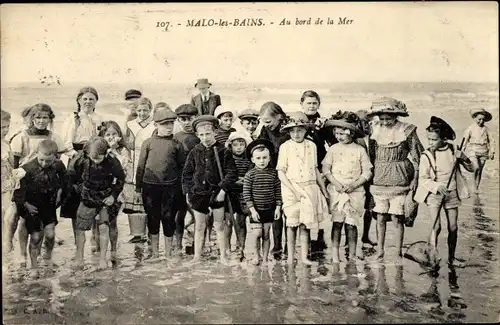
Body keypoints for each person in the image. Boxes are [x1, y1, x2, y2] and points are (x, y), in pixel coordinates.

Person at [9, 103, 72, 267]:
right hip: (25, 181)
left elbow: (58, 164)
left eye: (45, 117)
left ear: (50, 119)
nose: (41, 120)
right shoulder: (21, 137)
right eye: (37, 117)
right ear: (31, 118)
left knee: (45, 222)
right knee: (23, 221)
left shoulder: (54, 137)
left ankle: (44, 253)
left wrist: (59, 189)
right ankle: (22, 253)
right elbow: (14, 165)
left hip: (46, 185)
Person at [366, 97, 424, 263]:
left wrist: (415, 180)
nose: (385, 121)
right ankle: (380, 251)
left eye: (389, 118)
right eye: (382, 118)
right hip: (379, 178)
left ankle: (398, 252)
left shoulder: (407, 130)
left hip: (401, 177)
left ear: (396, 116)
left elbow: (419, 156)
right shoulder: (373, 129)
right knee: (380, 216)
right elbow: (371, 154)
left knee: (398, 217)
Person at [414, 116, 476, 268]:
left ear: (443, 138)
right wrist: (436, 186)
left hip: (452, 193)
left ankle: (452, 258)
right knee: (436, 226)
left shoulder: (454, 150)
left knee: (453, 227)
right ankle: (432, 258)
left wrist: (464, 158)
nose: (430, 143)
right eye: (429, 139)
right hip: (434, 195)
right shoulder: (426, 155)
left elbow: (472, 168)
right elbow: (423, 179)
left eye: (434, 140)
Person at [181, 115, 238, 264]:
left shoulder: (223, 151)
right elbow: (187, 173)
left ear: (214, 132)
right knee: (199, 226)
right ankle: (197, 257)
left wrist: (223, 191)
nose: (205, 138)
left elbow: (231, 173)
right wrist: (188, 191)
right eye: (201, 135)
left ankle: (223, 256)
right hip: (199, 193)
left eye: (208, 134)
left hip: (217, 193)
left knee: (219, 225)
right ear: (197, 135)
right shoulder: (195, 151)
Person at [276, 112, 329, 265]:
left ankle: (305, 257)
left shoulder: (311, 145)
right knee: (291, 224)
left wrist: (323, 190)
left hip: (310, 187)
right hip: (291, 188)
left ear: (306, 130)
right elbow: (281, 172)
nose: (296, 133)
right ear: (288, 132)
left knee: (305, 224)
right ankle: (291, 257)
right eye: (292, 130)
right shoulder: (285, 147)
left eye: (300, 130)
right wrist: (294, 191)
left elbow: (315, 169)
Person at [12, 140, 68, 278]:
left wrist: (60, 191)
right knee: (36, 237)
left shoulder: (59, 166)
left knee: (50, 235)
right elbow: (17, 192)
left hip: (49, 206)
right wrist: (26, 205)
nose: (44, 164)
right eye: (41, 160)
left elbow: (66, 181)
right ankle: (34, 266)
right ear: (37, 153)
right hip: (32, 207)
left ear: (55, 157)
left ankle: (48, 257)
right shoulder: (26, 169)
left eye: (48, 161)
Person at [322, 111, 373, 263]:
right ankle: (335, 254)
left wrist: (354, 184)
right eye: (336, 133)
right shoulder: (333, 149)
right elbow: (326, 169)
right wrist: (336, 183)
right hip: (337, 191)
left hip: (355, 192)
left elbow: (367, 172)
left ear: (351, 133)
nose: (339, 137)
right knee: (337, 223)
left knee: (351, 224)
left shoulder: (359, 150)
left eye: (342, 134)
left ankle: (351, 254)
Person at [135, 109, 186, 261]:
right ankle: (155, 253)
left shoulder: (177, 144)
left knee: (169, 218)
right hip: (150, 186)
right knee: (152, 218)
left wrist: (182, 189)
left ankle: (169, 254)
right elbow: (140, 167)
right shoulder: (148, 143)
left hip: (171, 187)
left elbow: (182, 168)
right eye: (165, 124)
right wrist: (138, 189)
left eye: (171, 123)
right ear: (156, 125)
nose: (169, 127)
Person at [69, 137, 125, 269]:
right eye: (93, 159)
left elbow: (121, 179)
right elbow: (71, 175)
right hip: (87, 196)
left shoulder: (112, 161)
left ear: (106, 154)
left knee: (104, 227)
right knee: (80, 228)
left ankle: (102, 259)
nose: (96, 161)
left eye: (99, 159)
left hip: (105, 196)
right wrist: (80, 189)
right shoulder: (81, 158)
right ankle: (79, 257)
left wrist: (113, 195)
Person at [299, 90, 332, 258]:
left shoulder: (324, 123)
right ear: (302, 104)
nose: (311, 106)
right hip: (301, 169)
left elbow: (332, 144)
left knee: (319, 203)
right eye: (308, 103)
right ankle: (303, 239)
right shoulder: (296, 121)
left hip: (318, 167)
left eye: (314, 103)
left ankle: (318, 238)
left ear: (319, 105)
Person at [95, 120, 132, 265]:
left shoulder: (123, 150)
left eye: (114, 134)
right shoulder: (98, 149)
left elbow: (123, 168)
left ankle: (114, 250)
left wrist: (112, 150)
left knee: (112, 222)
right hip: (98, 190)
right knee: (97, 222)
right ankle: (99, 249)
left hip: (116, 190)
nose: (111, 137)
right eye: (107, 134)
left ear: (119, 136)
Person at [257, 101, 290, 260]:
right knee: (276, 212)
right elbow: (259, 149)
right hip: (272, 175)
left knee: (289, 213)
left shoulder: (289, 130)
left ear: (279, 117)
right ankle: (277, 247)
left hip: (289, 175)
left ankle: (288, 247)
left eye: (269, 121)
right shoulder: (264, 130)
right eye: (263, 121)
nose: (266, 125)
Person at [243, 139, 282, 265]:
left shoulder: (274, 174)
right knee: (256, 233)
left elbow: (278, 191)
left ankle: (265, 258)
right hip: (256, 210)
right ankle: (256, 255)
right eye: (258, 158)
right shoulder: (250, 175)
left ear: (269, 158)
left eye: (264, 157)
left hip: (269, 208)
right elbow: (247, 194)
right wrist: (252, 210)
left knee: (266, 235)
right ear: (253, 159)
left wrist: (277, 208)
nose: (262, 161)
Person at [123, 97, 156, 243]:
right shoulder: (130, 124)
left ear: (150, 110)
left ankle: (150, 232)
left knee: (148, 198)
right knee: (134, 198)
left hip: (149, 162)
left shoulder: (155, 125)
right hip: (134, 161)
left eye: (145, 110)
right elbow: (126, 144)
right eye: (139, 110)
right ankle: (137, 233)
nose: (142, 113)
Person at [173, 103, 200, 253]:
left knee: (198, 213)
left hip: (196, 181)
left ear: (196, 118)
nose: (186, 122)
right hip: (178, 181)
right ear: (178, 120)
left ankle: (197, 242)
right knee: (179, 213)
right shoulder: (175, 137)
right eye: (182, 119)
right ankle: (178, 245)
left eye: (190, 118)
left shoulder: (199, 136)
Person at [226, 131, 254, 260]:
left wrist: (241, 180)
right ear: (230, 146)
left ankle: (240, 246)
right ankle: (226, 247)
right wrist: (234, 180)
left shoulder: (248, 160)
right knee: (228, 221)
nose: (238, 147)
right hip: (230, 194)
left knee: (241, 221)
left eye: (241, 144)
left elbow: (250, 175)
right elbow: (227, 176)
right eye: (235, 145)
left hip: (243, 193)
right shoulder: (227, 159)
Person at [355, 109, 377, 248]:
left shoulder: (374, 138)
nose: (367, 125)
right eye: (364, 122)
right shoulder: (356, 140)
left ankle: (365, 236)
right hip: (359, 177)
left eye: (370, 122)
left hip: (372, 176)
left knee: (369, 208)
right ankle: (349, 241)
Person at [462, 108, 495, 192]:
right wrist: (462, 149)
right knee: (475, 167)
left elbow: (492, 141)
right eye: (479, 119)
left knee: (480, 170)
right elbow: (465, 140)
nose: (481, 121)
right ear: (475, 118)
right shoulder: (470, 128)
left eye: (483, 120)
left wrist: (492, 152)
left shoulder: (486, 129)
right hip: (473, 150)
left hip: (484, 151)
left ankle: (476, 187)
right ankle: (473, 185)